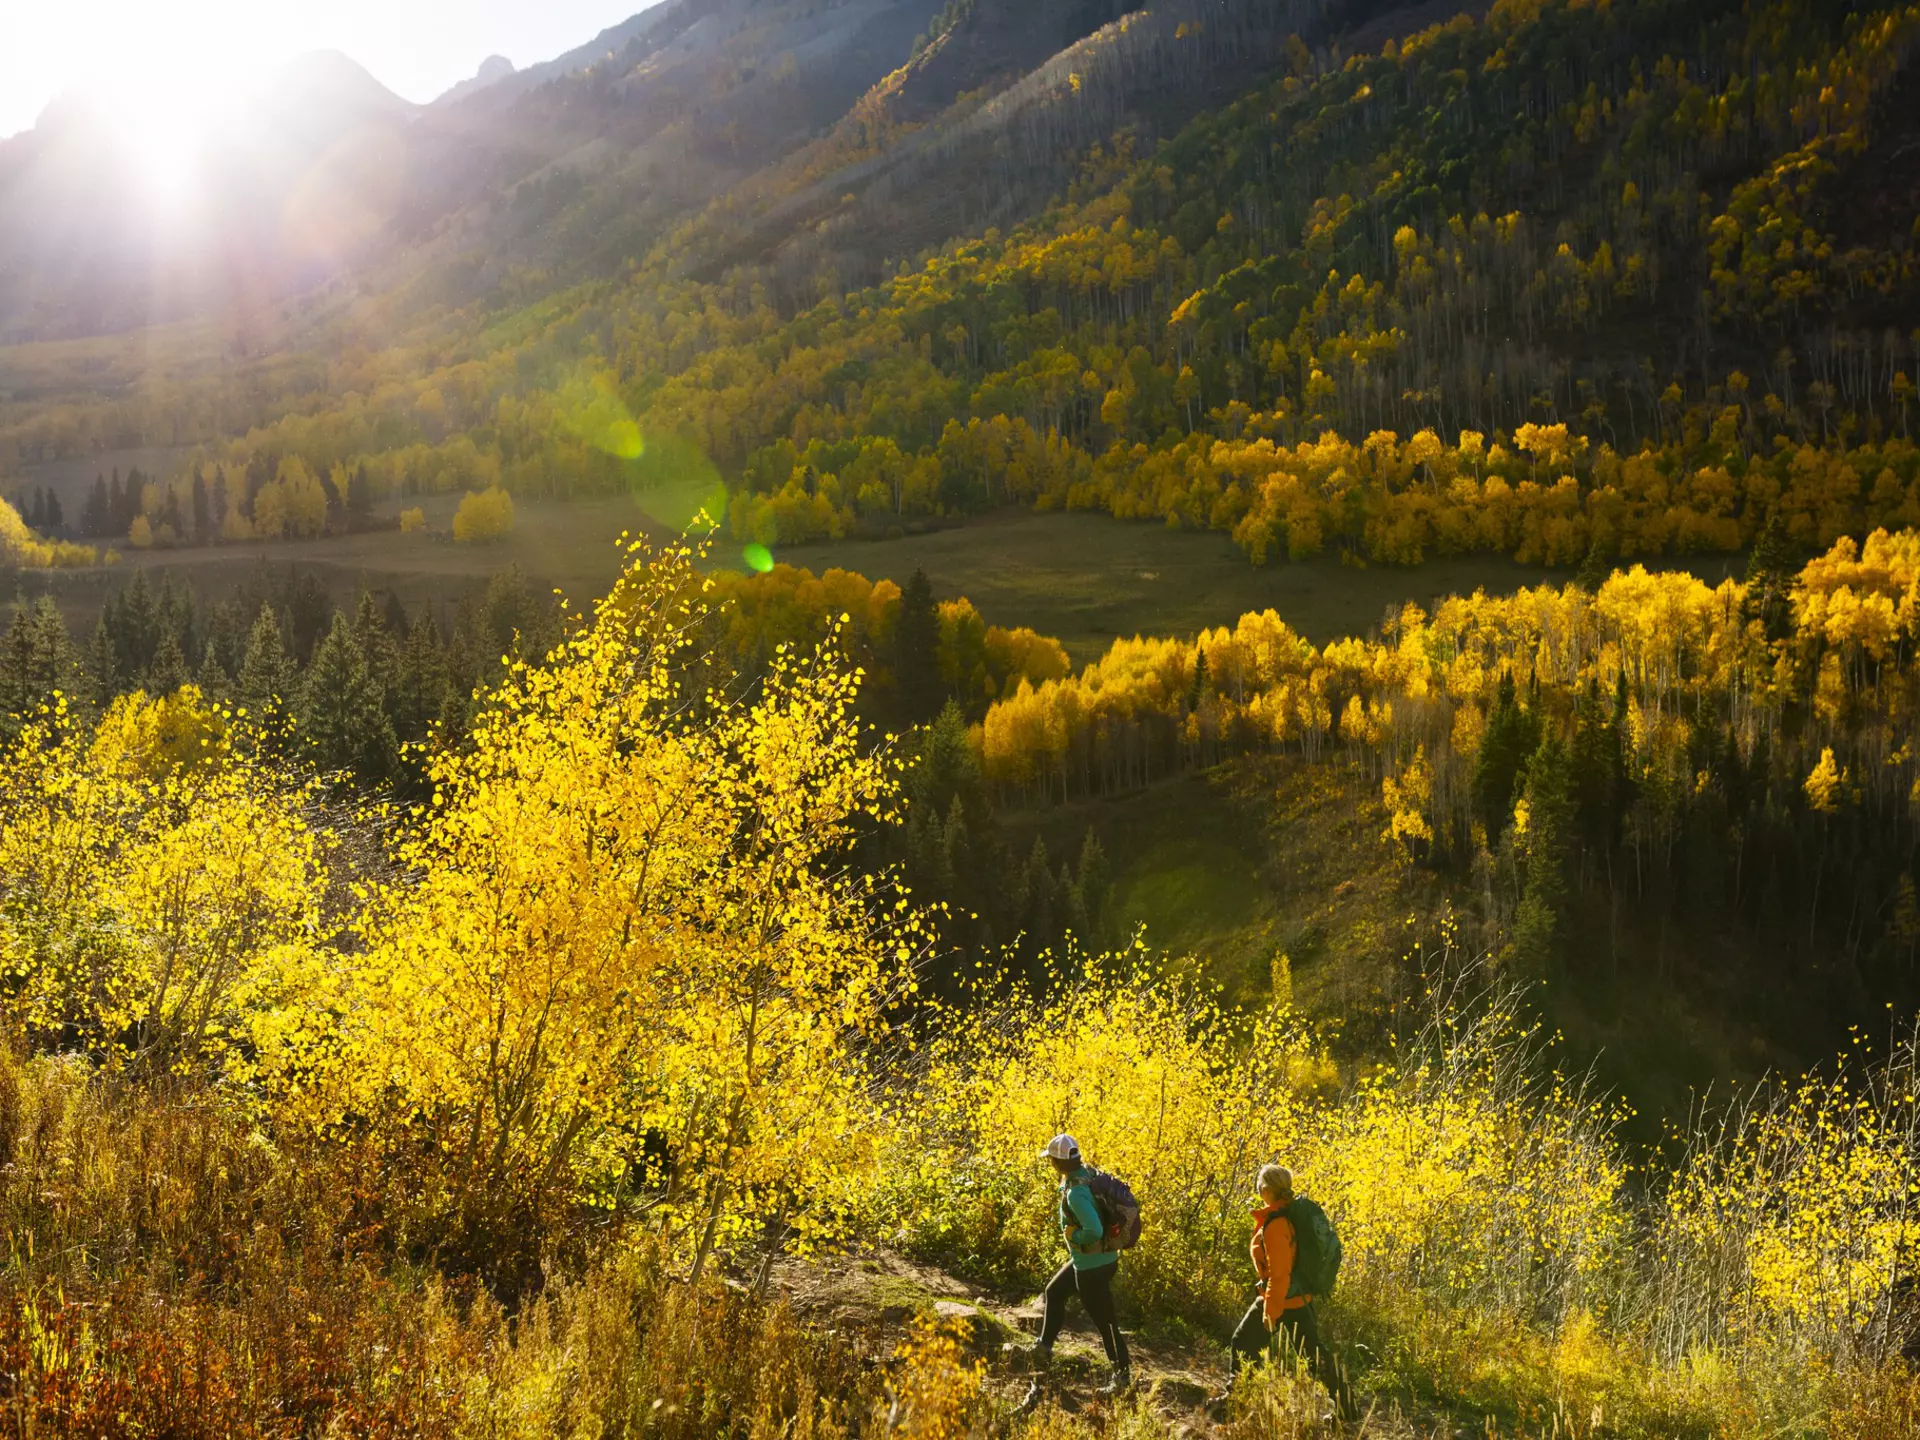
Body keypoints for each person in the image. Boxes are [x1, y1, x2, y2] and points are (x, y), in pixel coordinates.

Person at [1228, 1163, 1354, 1418]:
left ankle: (1237, 1403)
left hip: (1280, 1300)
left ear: (1265, 1189)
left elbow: (1280, 1272)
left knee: (1243, 1343)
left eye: (1259, 1185)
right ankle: (1348, 1410)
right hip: (1296, 1300)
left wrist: (1270, 1311)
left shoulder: (1276, 1224)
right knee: (1314, 1357)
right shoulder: (1286, 1215)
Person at [1021, 1133, 1131, 1410]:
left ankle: (1122, 1377)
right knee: (1054, 1291)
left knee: (1106, 1324)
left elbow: (1093, 1229)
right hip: (1099, 1260)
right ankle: (1044, 1348)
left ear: (1058, 1162)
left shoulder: (1076, 1193)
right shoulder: (1087, 1176)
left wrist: (1074, 1234)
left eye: (1052, 1161)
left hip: (1093, 1268)